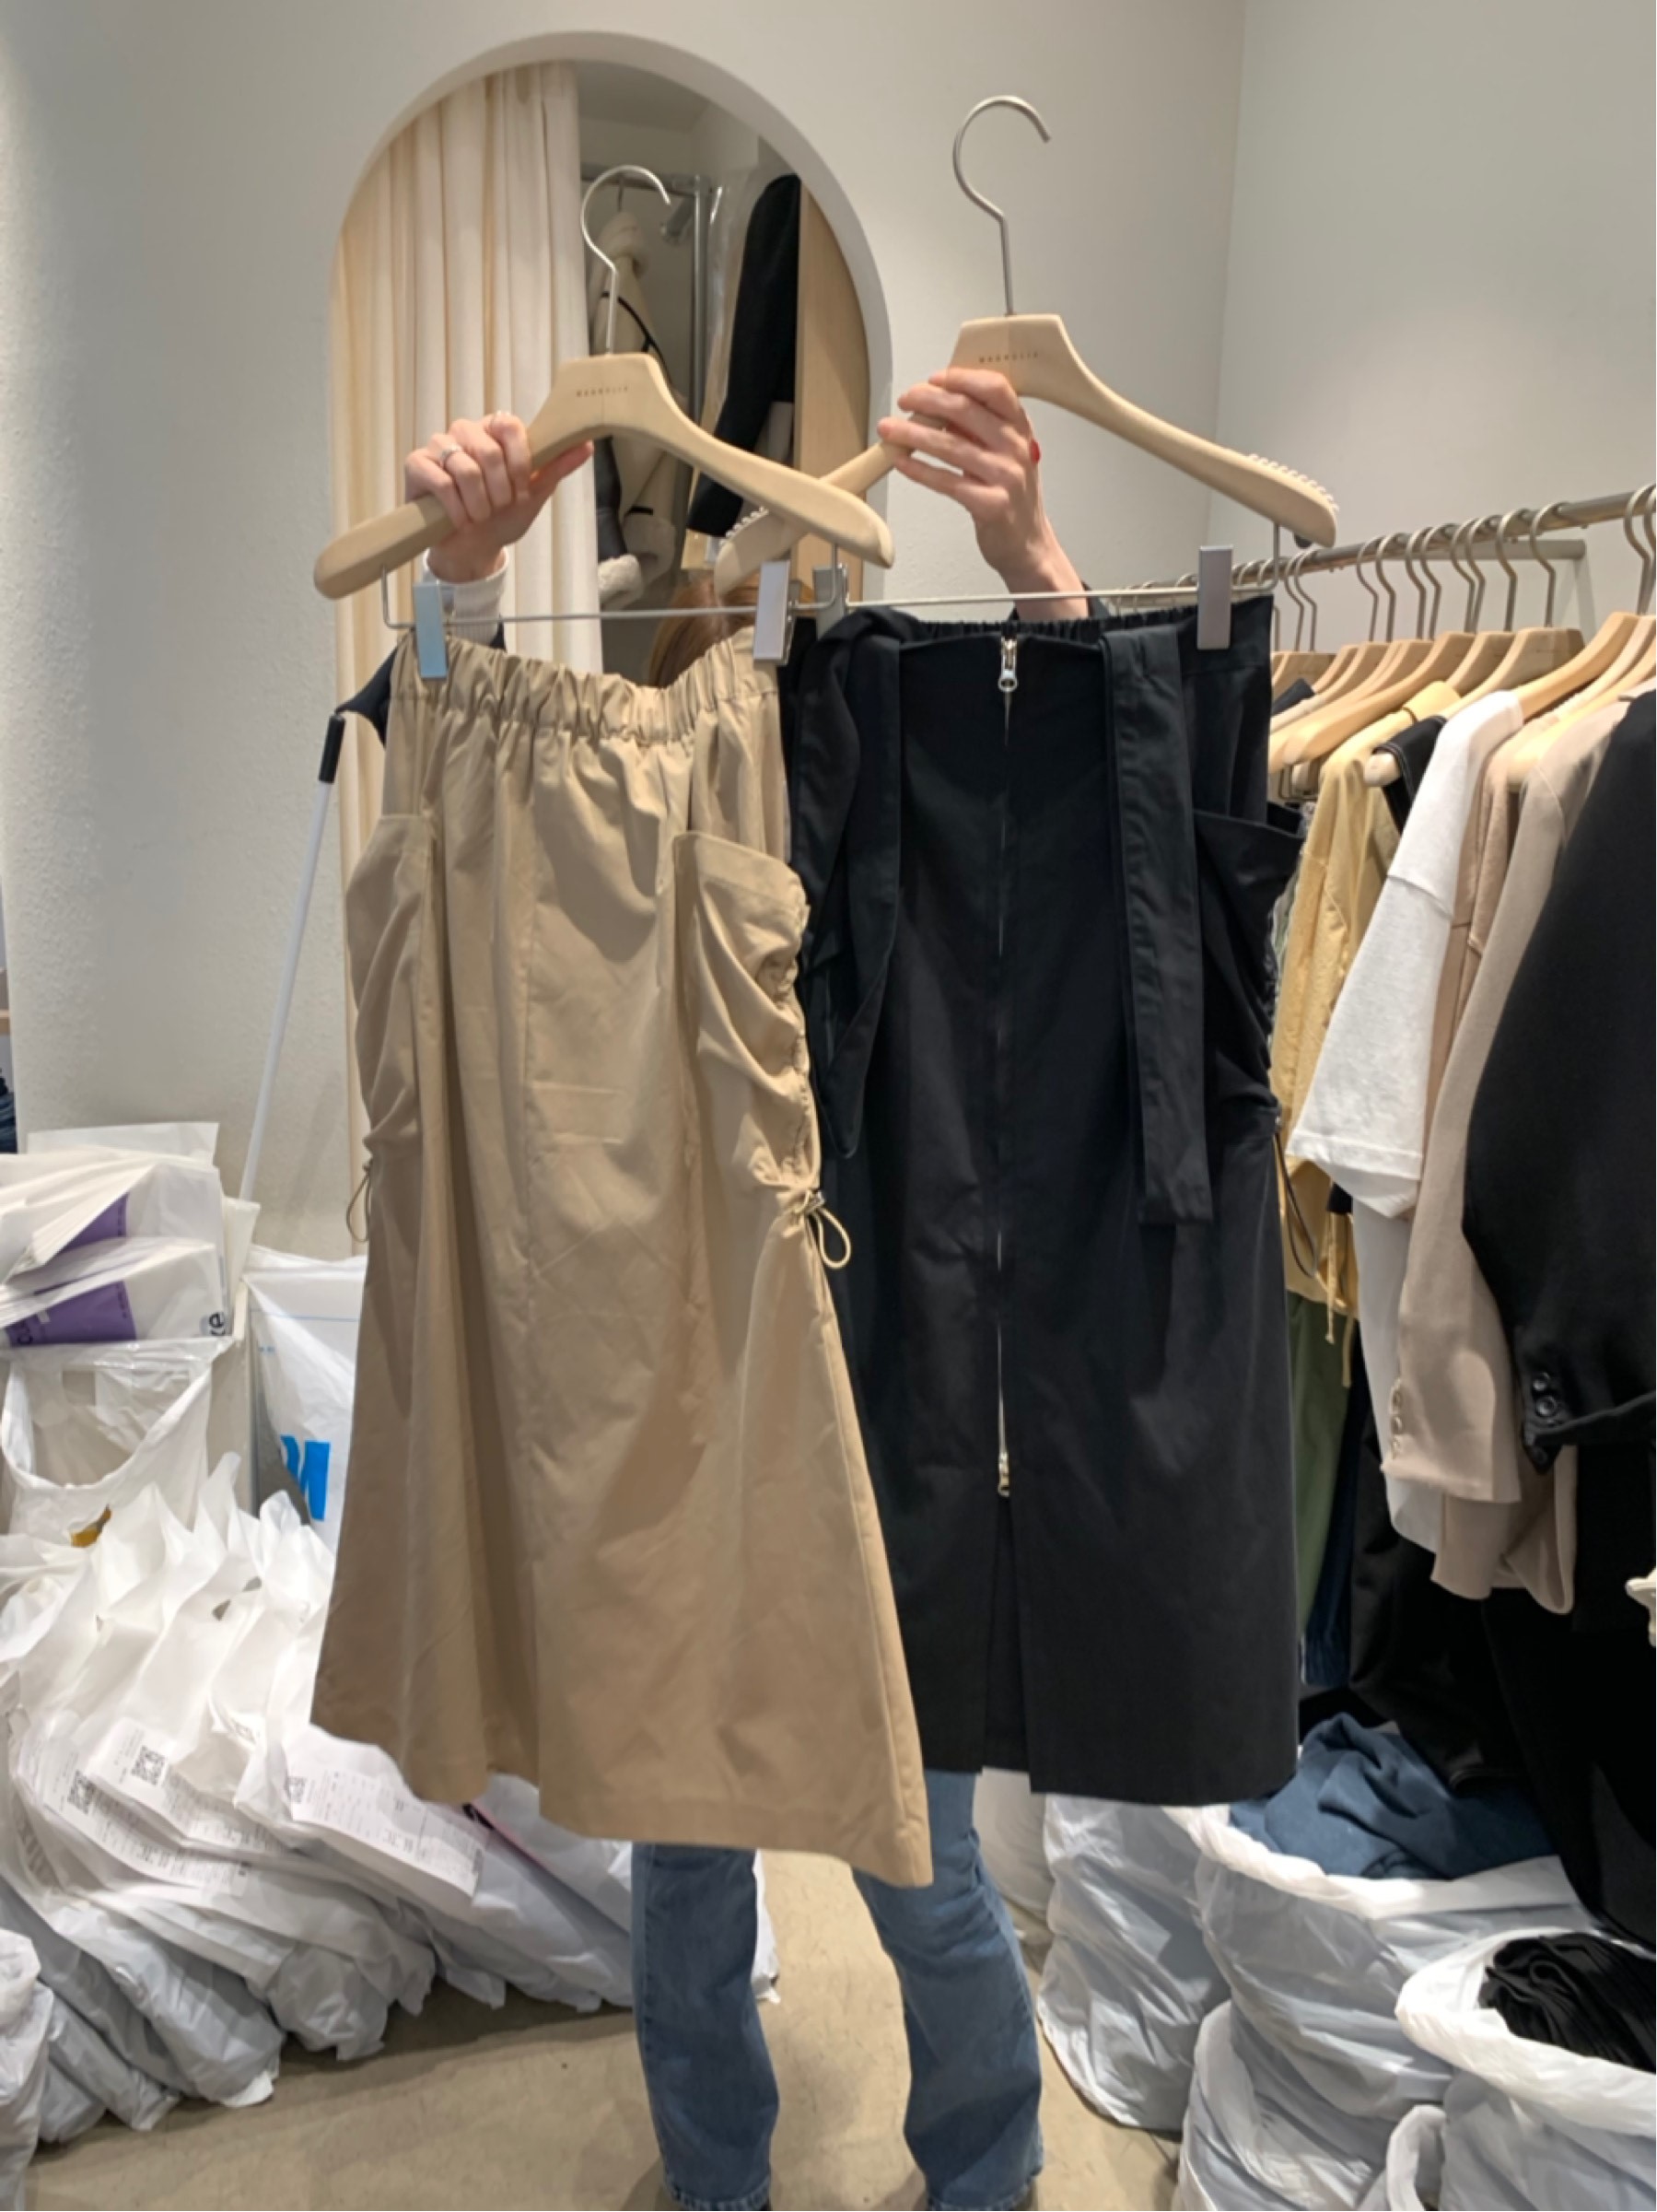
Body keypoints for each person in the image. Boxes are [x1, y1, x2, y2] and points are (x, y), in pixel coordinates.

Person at [403, 368, 1087, 2212]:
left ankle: (989, 2177)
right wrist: (460, 583)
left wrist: (1036, 567)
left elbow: (1080, 806)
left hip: (897, 1387)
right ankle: (721, 2184)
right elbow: (472, 817)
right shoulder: (625, 815)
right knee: (687, 1849)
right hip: (684, 1389)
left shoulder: (903, 784)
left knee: (924, 1860)